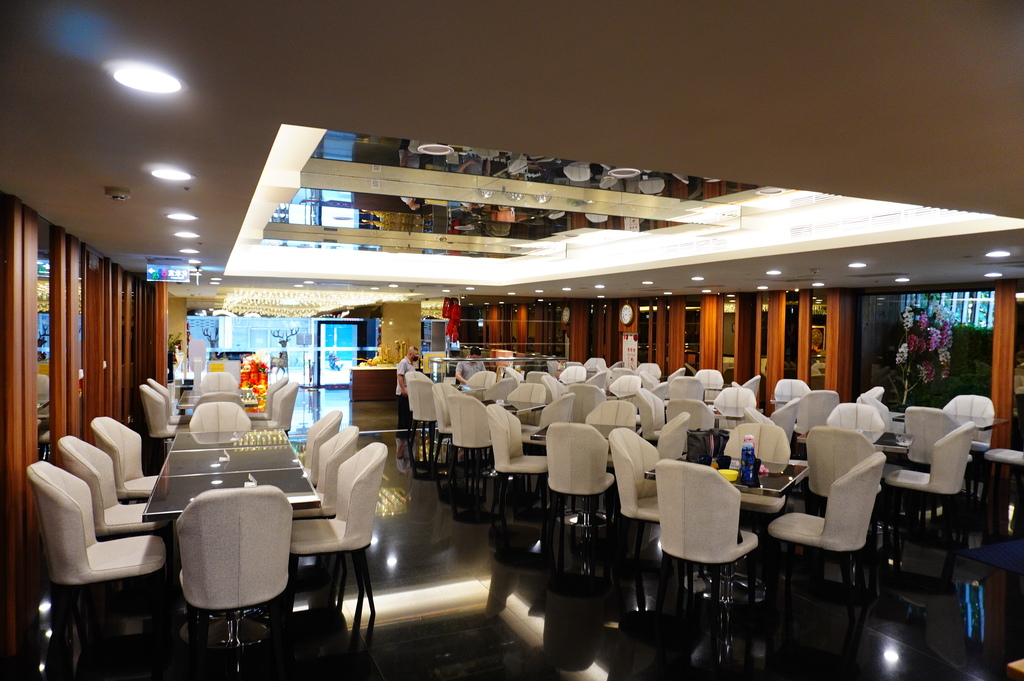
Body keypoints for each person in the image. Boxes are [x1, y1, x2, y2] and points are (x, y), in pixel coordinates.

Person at [395, 346, 420, 473]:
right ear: (410, 354)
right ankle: (402, 436)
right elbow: (400, 376)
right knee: (403, 414)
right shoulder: (403, 363)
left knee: (409, 414)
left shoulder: (411, 364)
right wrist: (403, 390)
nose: (417, 356)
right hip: (403, 393)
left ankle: (409, 432)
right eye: (415, 354)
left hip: (410, 393)